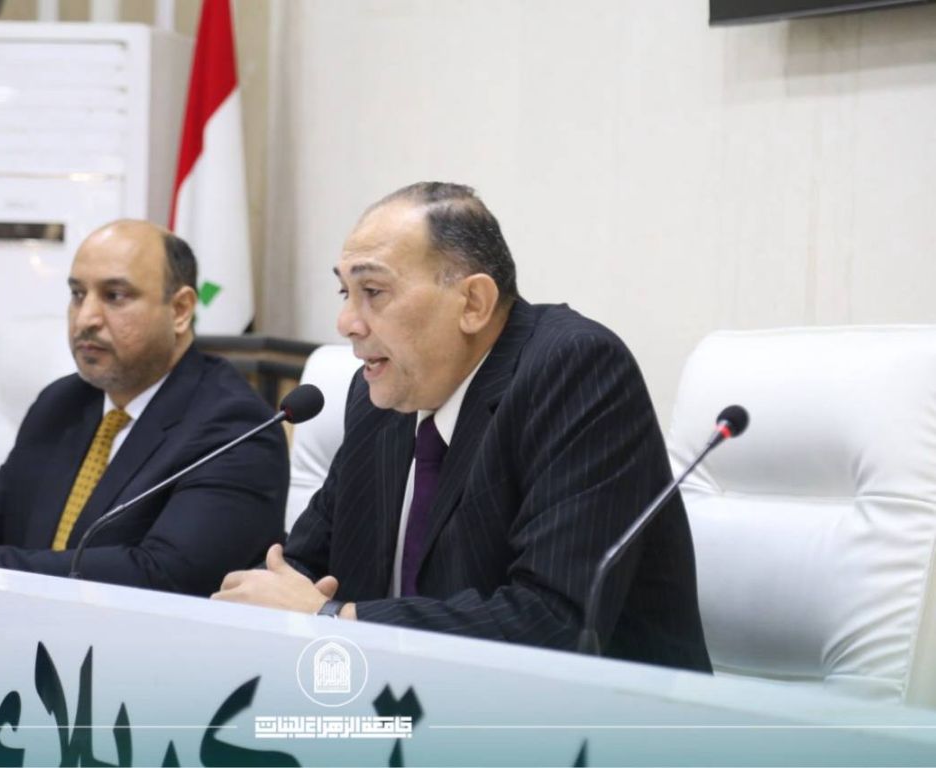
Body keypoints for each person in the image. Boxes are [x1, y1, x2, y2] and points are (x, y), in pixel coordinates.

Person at [214, 183, 710, 670]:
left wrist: (332, 619)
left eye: (373, 292)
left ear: (473, 303)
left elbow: (551, 620)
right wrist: (256, 602)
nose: (346, 322)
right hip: (400, 702)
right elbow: (301, 566)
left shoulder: (574, 371)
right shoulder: (379, 397)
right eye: (346, 292)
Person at [0, 219, 288, 593]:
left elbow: (165, 574)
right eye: (77, 295)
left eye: (115, 296)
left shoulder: (234, 427)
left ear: (180, 310)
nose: (85, 319)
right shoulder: (63, 403)